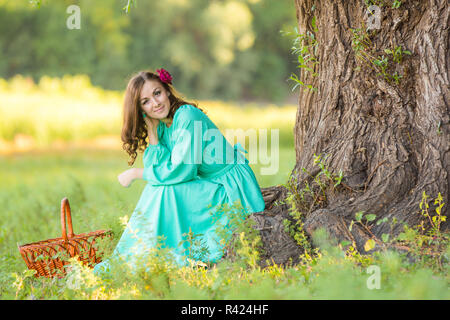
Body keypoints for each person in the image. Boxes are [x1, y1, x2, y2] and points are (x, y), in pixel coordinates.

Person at [94, 68, 265, 274]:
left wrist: (136, 173)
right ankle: (138, 255)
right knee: (159, 188)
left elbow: (181, 171)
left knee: (165, 190)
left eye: (157, 93)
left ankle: (152, 254)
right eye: (145, 101)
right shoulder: (164, 124)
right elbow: (159, 168)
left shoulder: (187, 116)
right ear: (140, 110)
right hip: (210, 185)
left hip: (230, 190)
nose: (155, 103)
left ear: (167, 91)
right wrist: (152, 131)